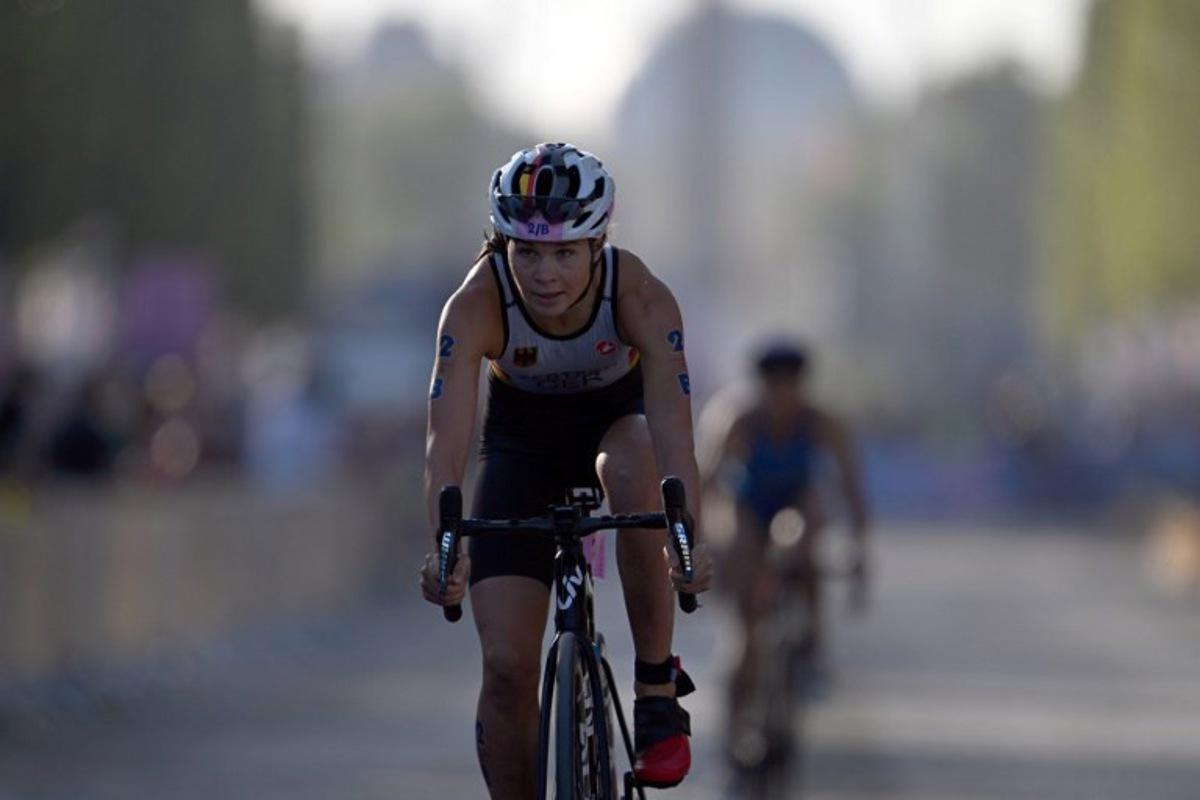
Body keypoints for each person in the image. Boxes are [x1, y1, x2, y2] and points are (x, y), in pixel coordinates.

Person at [418, 142, 713, 799]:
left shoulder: (639, 295)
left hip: (617, 427)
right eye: (526, 252)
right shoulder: (475, 305)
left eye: (564, 253)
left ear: (598, 245)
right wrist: (445, 550)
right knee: (506, 670)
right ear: (503, 246)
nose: (544, 274)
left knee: (637, 470)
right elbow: (445, 444)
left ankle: (656, 690)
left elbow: (675, 438)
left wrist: (686, 540)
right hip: (520, 447)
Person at [702, 341, 869, 741]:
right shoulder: (736, 419)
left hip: (795, 506)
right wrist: (701, 547)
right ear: (759, 386)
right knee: (745, 628)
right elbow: (705, 484)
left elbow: (851, 490)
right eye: (772, 385)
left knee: (807, 519)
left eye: (790, 384)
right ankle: (736, 723)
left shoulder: (823, 423)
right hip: (747, 506)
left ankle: (810, 643)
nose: (781, 395)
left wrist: (858, 550)